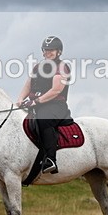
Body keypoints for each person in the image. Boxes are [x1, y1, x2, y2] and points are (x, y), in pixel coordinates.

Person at [16, 36, 72, 175]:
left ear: (58, 52)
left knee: (43, 119)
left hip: (55, 106)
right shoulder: (37, 67)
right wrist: (20, 99)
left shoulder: (62, 67)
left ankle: (51, 159)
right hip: (36, 104)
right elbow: (28, 85)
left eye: (51, 50)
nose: (48, 53)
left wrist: (36, 101)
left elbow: (56, 90)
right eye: (45, 50)